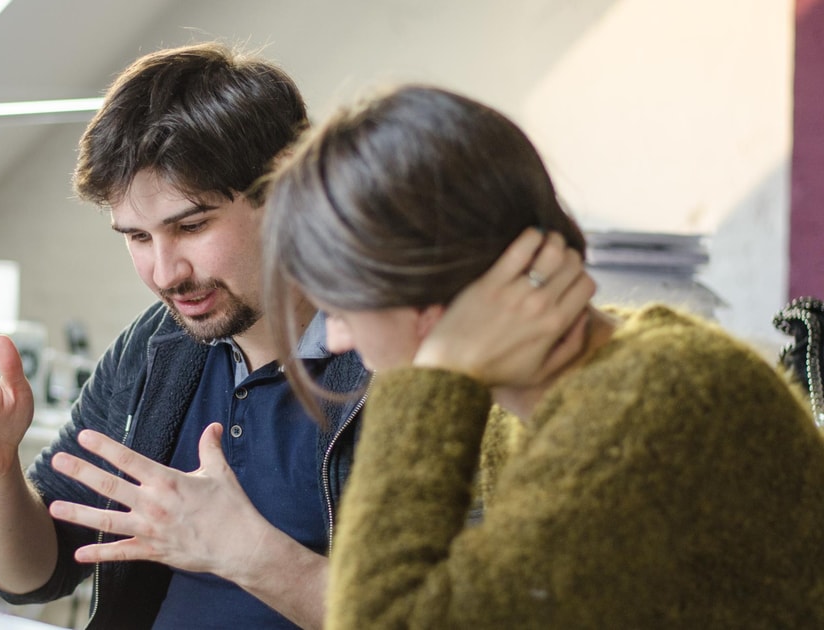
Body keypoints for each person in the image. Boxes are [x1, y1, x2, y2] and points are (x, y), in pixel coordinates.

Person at [262, 84, 824, 628]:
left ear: (425, 297)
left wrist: (436, 374)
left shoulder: (655, 403)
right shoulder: (538, 403)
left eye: (340, 307)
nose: (335, 339)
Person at [0, 42, 369, 629]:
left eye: (191, 226)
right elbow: (33, 575)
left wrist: (250, 555)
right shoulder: (156, 346)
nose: (166, 275)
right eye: (138, 238)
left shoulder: (393, 353)